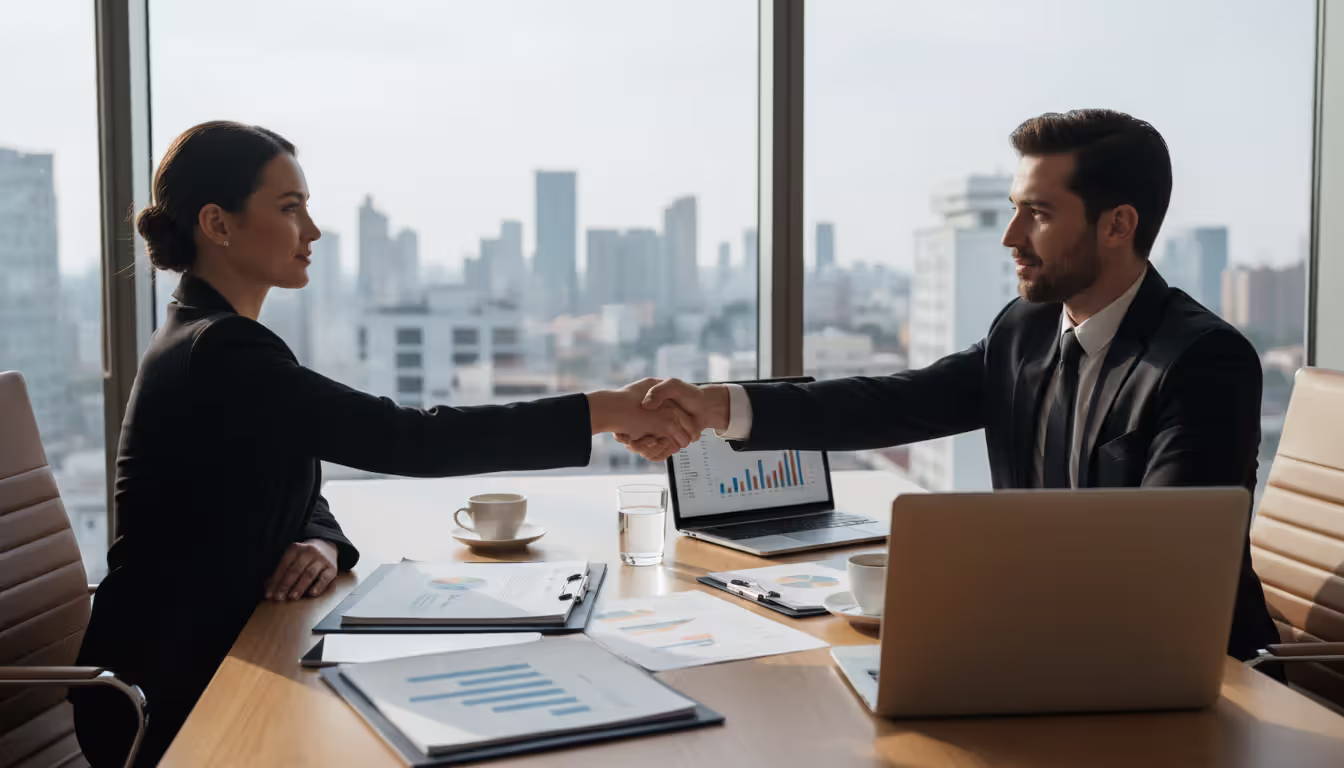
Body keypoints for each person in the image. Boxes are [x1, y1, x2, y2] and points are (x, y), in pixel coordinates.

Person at [71, 121, 695, 767]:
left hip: (219, 651)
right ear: (218, 224)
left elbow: (293, 479)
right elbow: (410, 440)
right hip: (169, 693)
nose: (312, 232)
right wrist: (603, 408)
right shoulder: (221, 350)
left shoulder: (208, 336)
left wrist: (320, 539)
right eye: (291, 209)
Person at [623, 109, 1279, 662]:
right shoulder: (1025, 329)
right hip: (1043, 649)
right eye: (1015, 210)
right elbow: (895, 403)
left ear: (1117, 225)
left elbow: (1164, 567)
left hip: (1187, 677)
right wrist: (717, 407)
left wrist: (969, 600)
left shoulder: (1202, 361)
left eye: (1039, 214)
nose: (1011, 237)